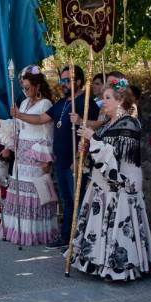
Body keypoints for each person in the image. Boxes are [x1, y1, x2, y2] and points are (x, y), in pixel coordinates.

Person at [68, 78, 151, 281]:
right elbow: (101, 153)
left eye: (107, 98)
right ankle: (100, 260)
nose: (103, 101)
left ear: (120, 100)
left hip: (121, 185)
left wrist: (94, 139)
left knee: (118, 222)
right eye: (103, 97)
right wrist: (88, 147)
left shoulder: (130, 123)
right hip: (104, 183)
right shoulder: (108, 124)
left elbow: (116, 157)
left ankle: (120, 267)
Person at [14, 66, 100, 248]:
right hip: (60, 161)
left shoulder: (86, 102)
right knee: (68, 201)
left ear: (78, 82)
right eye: (62, 80)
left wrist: (79, 157)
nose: (63, 84)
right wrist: (19, 114)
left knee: (79, 201)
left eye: (67, 80)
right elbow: (40, 119)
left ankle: (79, 241)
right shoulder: (61, 103)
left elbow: (89, 132)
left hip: (75, 161)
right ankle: (66, 238)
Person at [0, 66, 57, 246]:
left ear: (37, 86)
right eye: (23, 88)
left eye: (27, 88)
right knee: (20, 189)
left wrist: (47, 159)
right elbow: (18, 125)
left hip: (36, 152)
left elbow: (42, 123)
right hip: (22, 152)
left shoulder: (46, 104)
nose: (25, 91)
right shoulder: (25, 103)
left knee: (35, 190)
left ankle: (35, 233)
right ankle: (18, 230)